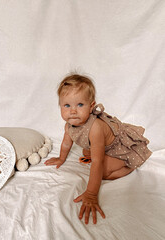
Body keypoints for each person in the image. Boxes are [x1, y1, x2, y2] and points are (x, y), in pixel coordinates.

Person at [45, 74, 152, 224]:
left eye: (80, 105)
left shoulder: (95, 128)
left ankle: (129, 166)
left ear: (91, 106)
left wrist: (91, 194)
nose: (73, 111)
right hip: (101, 144)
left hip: (119, 148)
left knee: (104, 172)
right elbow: (66, 143)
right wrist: (61, 158)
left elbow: (97, 162)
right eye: (67, 105)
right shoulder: (69, 125)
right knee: (85, 152)